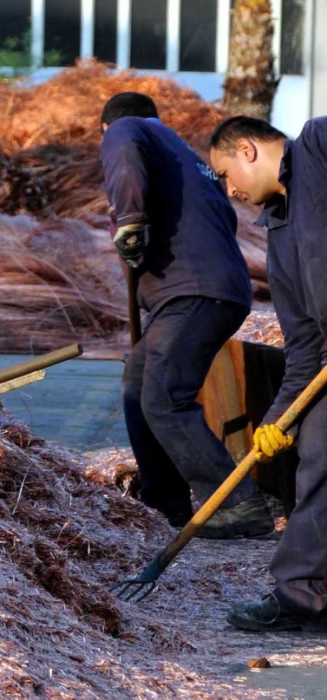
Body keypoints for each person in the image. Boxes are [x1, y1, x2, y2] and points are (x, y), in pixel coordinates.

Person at [100, 92, 271, 538]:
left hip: (194, 294)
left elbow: (122, 147)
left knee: (164, 397)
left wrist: (130, 219)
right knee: (140, 387)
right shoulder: (187, 158)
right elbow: (222, 223)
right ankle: (165, 501)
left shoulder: (128, 129)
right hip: (209, 291)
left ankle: (237, 503)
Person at [210, 115, 327, 631]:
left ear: (247, 149)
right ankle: (305, 596)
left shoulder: (319, 146)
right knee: (319, 451)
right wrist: (278, 418)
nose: (231, 190)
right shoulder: (279, 233)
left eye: (226, 173)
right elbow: (304, 343)